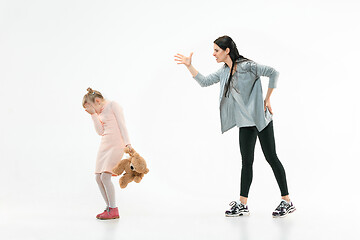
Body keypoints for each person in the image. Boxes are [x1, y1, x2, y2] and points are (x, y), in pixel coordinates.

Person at [174, 35, 296, 218]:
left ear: (227, 51)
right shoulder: (224, 72)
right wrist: (188, 65)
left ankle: (287, 202)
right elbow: (204, 82)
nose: (213, 54)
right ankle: (242, 204)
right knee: (246, 163)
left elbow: (273, 72)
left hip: (261, 120)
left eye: (216, 50)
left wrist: (268, 98)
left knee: (271, 157)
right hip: (245, 123)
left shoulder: (248, 66)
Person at [82, 87, 132, 220]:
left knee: (105, 177)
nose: (93, 111)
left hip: (116, 145)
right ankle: (109, 207)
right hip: (105, 145)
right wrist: (93, 115)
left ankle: (114, 209)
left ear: (98, 101)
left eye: (92, 108)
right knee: (98, 177)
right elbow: (100, 131)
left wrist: (128, 144)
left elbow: (122, 125)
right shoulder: (98, 112)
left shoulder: (113, 105)